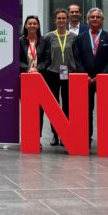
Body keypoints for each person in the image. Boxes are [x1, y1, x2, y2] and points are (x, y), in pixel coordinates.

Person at [73, 7, 108, 146]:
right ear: (88, 20)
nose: (95, 19)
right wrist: (83, 75)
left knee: (106, 111)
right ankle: (87, 137)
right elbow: (77, 58)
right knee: (86, 111)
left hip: (103, 80)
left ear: (102, 20)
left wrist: (102, 76)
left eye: (98, 17)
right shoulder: (80, 38)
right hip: (85, 80)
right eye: (92, 17)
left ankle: (106, 138)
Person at [41, 9, 76, 146]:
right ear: (55, 20)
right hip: (52, 73)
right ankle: (56, 135)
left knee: (67, 105)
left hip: (69, 73)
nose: (61, 21)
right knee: (54, 106)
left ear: (67, 20)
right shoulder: (49, 37)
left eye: (63, 18)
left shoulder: (73, 36)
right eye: (59, 18)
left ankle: (66, 134)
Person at [19, 15, 49, 145]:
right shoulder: (20, 41)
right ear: (26, 25)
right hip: (24, 79)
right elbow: (16, 59)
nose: (32, 26)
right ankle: (28, 137)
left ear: (38, 26)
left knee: (39, 110)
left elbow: (48, 59)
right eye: (29, 23)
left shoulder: (44, 41)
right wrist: (27, 69)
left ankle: (37, 138)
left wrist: (37, 69)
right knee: (27, 109)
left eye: (34, 23)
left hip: (39, 78)